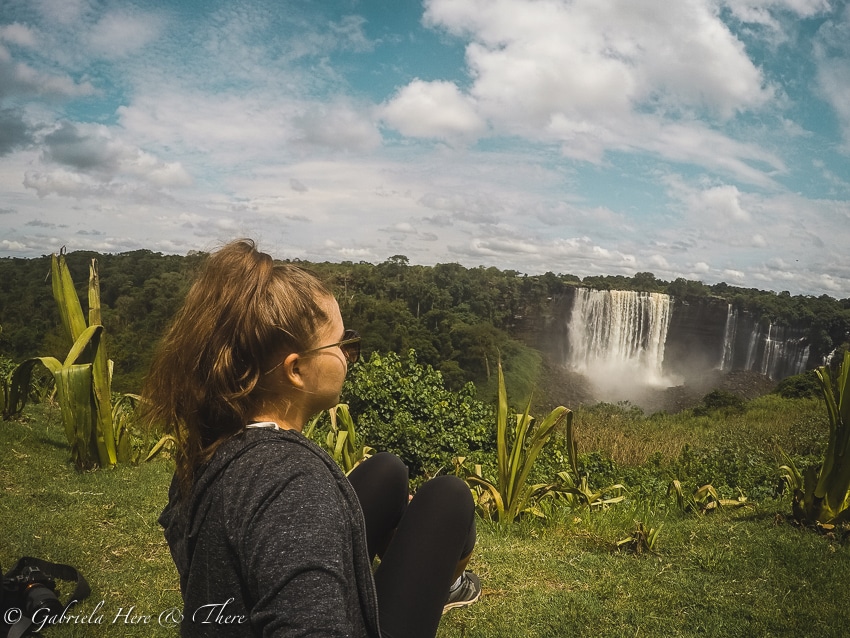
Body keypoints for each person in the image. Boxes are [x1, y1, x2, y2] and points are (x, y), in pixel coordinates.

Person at [144, 239, 480, 638]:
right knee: (449, 497)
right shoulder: (294, 485)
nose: (349, 355)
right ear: (296, 370)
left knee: (387, 470)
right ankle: (446, 584)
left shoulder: (213, 443)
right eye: (342, 343)